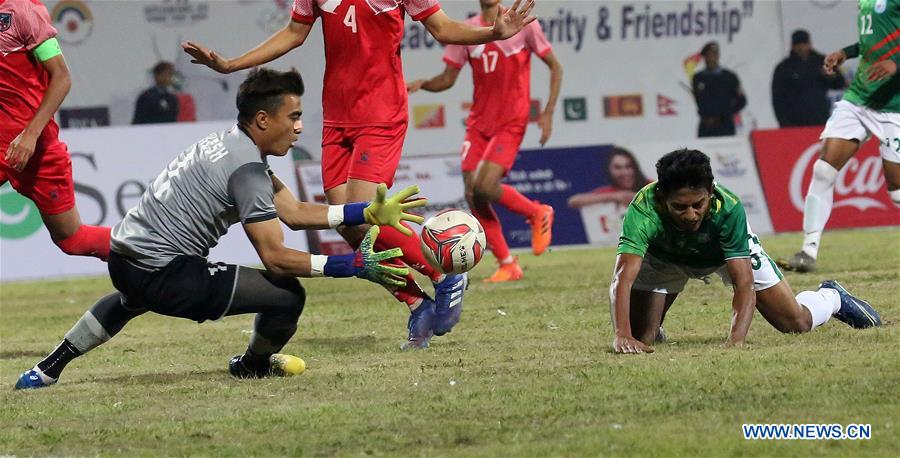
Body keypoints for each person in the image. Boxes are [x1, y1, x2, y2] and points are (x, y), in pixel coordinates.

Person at [15, 68, 428, 389]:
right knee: (286, 296)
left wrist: (364, 213)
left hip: (126, 259)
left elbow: (296, 211)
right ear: (264, 120)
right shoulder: (247, 170)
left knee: (130, 298)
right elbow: (277, 257)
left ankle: (45, 370)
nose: (300, 127)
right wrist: (352, 266)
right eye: (295, 117)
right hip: (165, 273)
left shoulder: (232, 142)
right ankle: (252, 365)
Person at [182, 0, 538, 348]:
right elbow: (293, 33)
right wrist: (230, 65)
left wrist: (493, 32)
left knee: (362, 212)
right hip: (337, 117)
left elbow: (443, 27)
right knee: (348, 224)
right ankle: (417, 304)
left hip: (381, 116)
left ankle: (444, 276)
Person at [609, 149, 881, 355]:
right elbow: (623, 277)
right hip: (666, 257)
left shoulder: (728, 209)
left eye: (698, 204)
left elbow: (744, 283)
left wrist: (735, 341)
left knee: (795, 322)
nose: (690, 215)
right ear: (661, 197)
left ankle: (831, 297)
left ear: (711, 192)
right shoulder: (644, 208)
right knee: (641, 338)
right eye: (679, 207)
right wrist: (621, 334)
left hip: (721, 254)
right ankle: (653, 327)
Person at [406, 0, 561, 283]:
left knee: (485, 186)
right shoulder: (466, 31)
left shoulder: (521, 24)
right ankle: (507, 263)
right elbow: (448, 78)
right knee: (471, 191)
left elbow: (555, 66)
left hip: (511, 121)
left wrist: (548, 112)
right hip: (479, 123)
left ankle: (537, 211)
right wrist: (423, 83)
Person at [782, 1, 900, 273]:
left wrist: (895, 63)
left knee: (896, 193)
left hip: (893, 106)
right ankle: (808, 251)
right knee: (823, 170)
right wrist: (846, 53)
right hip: (859, 97)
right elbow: (875, 42)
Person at [0, 0, 110, 261]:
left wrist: (30, 135)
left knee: (73, 240)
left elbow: (62, 76)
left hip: (35, 145)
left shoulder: (22, 10)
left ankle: (154, 248)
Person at [771, 30, 846, 127]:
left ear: (810, 44)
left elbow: (840, 84)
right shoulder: (784, 68)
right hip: (794, 124)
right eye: (798, 45)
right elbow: (777, 99)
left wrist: (830, 77)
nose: (801, 48)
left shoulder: (822, 62)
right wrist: (784, 123)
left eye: (804, 44)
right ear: (792, 46)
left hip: (820, 121)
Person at [692, 42, 747, 137]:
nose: (711, 58)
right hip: (706, 126)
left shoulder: (729, 76)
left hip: (725, 125)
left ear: (718, 56)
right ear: (704, 57)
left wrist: (726, 113)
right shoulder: (698, 78)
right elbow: (698, 99)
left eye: (713, 54)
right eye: (708, 55)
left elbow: (741, 101)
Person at [567, 147, 649, 209]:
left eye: (628, 166)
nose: (625, 172)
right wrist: (616, 197)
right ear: (609, 170)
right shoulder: (612, 191)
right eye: (618, 168)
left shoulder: (649, 186)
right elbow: (573, 202)